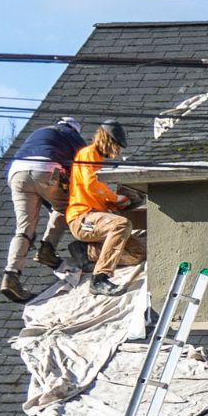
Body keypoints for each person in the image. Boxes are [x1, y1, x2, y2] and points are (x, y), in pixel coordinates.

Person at [0, 117, 84, 303]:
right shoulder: (69, 134)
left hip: (16, 174)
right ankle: (47, 249)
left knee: (24, 230)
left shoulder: (38, 133)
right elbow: (85, 162)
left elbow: (11, 167)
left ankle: (11, 276)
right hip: (46, 168)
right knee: (65, 207)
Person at [68, 119, 145, 296]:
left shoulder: (97, 161)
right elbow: (90, 186)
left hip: (96, 218)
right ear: (108, 140)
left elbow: (96, 193)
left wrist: (115, 203)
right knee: (121, 224)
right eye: (116, 146)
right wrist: (115, 197)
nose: (117, 151)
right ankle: (99, 279)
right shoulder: (89, 154)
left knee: (137, 253)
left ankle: (87, 251)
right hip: (82, 218)